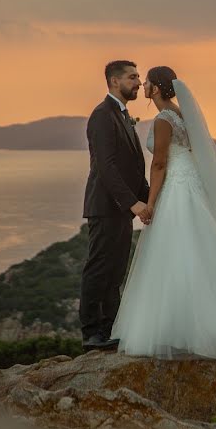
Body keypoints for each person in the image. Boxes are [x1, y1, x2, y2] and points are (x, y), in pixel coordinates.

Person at [111, 66, 216, 369]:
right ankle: (211, 328)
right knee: (198, 250)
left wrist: (150, 204)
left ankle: (177, 331)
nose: (143, 85)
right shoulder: (181, 114)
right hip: (191, 183)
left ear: (155, 89)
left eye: (146, 81)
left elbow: (159, 164)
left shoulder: (162, 120)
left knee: (174, 253)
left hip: (176, 186)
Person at [80, 60, 150, 350]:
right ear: (113, 81)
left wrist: (151, 199)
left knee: (116, 271)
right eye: (132, 77)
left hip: (120, 209)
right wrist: (133, 203)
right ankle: (91, 333)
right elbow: (106, 167)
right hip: (105, 206)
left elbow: (132, 168)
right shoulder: (102, 115)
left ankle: (109, 329)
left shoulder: (122, 115)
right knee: (99, 268)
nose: (138, 82)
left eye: (138, 77)